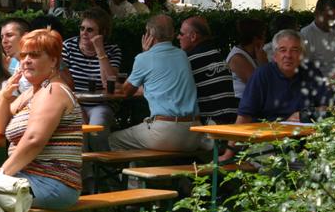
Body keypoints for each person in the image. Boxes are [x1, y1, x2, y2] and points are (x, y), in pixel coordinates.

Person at [0, 29, 84, 212]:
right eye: (23, 55)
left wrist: (2, 173)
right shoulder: (33, 93)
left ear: (53, 60)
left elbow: (33, 140)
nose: (26, 60)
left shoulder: (52, 92)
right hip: (31, 177)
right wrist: (4, 95)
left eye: (35, 55)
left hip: (54, 182)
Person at [109, 15, 204, 152]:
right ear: (172, 34)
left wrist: (144, 53)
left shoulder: (144, 59)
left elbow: (125, 91)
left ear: (149, 34)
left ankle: (132, 173)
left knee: (113, 140)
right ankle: (141, 169)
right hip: (193, 132)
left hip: (165, 133)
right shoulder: (182, 55)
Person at [236, 30, 333, 124]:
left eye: (294, 50)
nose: (288, 55)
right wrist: (233, 140)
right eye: (282, 50)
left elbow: (330, 108)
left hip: (305, 135)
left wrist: (304, 115)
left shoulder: (312, 73)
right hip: (269, 134)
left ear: (302, 55)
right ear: (274, 56)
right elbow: (244, 115)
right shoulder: (262, 75)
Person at [62, 8, 122, 152]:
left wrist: (100, 51)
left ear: (103, 33)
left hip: (101, 103)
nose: (84, 33)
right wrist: (77, 105)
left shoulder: (112, 50)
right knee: (78, 133)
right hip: (74, 103)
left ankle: (105, 168)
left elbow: (109, 84)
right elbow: (62, 81)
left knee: (97, 132)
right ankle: (86, 173)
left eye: (90, 30)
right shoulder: (68, 47)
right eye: (82, 28)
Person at [178, 16, 238, 124]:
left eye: (181, 34)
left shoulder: (189, 61)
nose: (178, 37)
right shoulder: (218, 55)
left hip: (211, 125)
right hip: (232, 120)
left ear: (193, 36)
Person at [300, 0, 335, 77]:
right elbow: (305, 69)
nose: (333, 20)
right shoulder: (306, 34)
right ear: (317, 13)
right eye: (329, 16)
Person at [227, 18, 268, 99]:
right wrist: (263, 63)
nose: (265, 39)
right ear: (255, 39)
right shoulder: (237, 58)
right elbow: (259, 87)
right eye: (263, 35)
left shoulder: (254, 55)